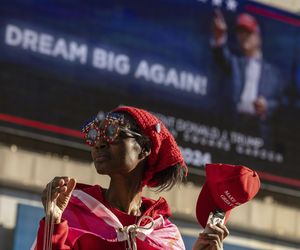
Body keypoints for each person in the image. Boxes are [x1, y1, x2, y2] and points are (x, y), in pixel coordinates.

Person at [32, 105, 229, 250]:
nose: (99, 143)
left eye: (112, 132)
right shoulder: (70, 212)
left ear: (144, 149)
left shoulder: (166, 235)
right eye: (94, 134)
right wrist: (53, 222)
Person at [211, 10, 283, 146]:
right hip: (233, 126)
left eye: (248, 33)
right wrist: (219, 37)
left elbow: (281, 103)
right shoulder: (234, 63)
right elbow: (220, 56)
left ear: (258, 37)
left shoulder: (274, 74)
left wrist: (266, 106)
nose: (243, 36)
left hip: (260, 132)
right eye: (240, 33)